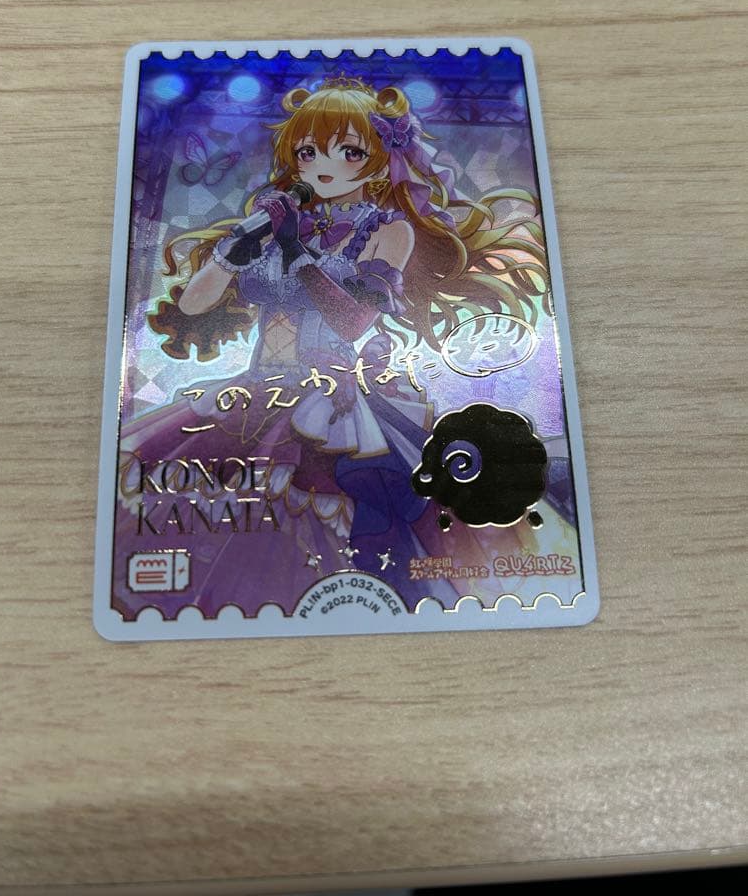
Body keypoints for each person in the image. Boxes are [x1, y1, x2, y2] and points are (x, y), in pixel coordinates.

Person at [114, 74, 548, 618]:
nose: (323, 164)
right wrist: (237, 247)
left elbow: (351, 321)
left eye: (348, 151)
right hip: (253, 393)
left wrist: (295, 251)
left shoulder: (388, 231)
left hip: (329, 402)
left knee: (324, 517)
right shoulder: (277, 224)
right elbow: (195, 304)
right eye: (307, 151)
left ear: (381, 161)